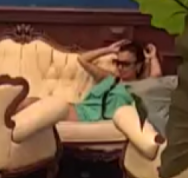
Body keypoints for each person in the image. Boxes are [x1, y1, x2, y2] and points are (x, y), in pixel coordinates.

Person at [19, 39, 161, 121]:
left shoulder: (139, 87)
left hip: (87, 119)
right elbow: (82, 60)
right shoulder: (110, 78)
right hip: (77, 109)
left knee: (29, 106)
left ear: (138, 66)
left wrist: (153, 57)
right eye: (118, 63)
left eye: (125, 64)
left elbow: (157, 76)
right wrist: (109, 50)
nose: (120, 67)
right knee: (28, 102)